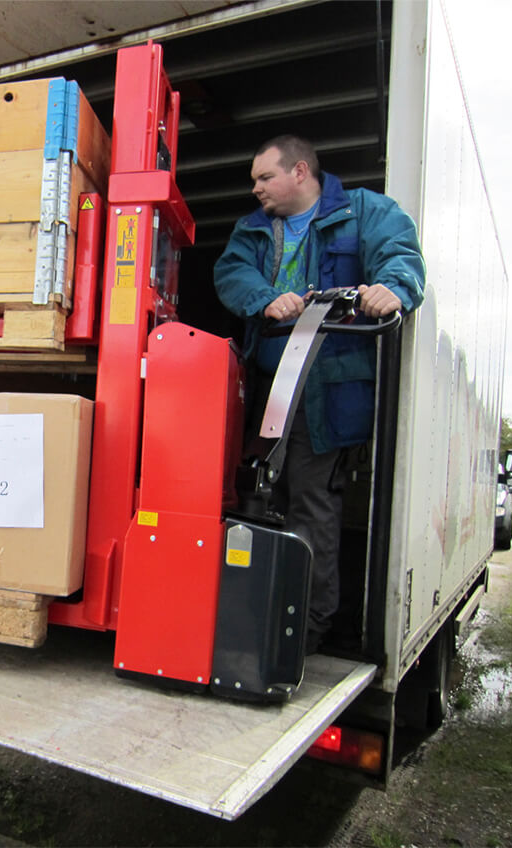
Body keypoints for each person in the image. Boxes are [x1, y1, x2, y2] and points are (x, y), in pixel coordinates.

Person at [213, 135, 425, 652]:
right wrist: (266, 299)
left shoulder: (365, 211)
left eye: (265, 177)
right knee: (256, 498)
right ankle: (253, 617)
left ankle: (304, 631)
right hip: (267, 390)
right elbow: (231, 273)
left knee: (311, 506)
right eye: (254, 180)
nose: (256, 188)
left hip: (323, 395)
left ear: (300, 171)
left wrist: (392, 288)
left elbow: (400, 257)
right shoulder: (253, 230)